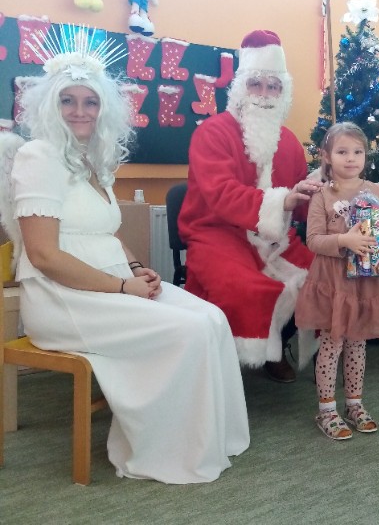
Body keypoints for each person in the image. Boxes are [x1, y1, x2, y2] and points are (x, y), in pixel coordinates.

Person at [0, 24, 249, 484]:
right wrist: (122, 286)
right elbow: (44, 255)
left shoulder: (91, 160)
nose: (80, 111)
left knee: (212, 317)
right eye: (68, 100)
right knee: (189, 330)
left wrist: (136, 268)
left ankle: (212, 439)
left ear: (104, 108)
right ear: (50, 104)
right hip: (63, 300)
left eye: (90, 102)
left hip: (113, 283)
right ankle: (167, 451)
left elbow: (108, 231)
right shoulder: (38, 157)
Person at [179, 30, 323, 383]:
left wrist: (328, 197)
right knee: (246, 287)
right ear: (241, 88)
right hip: (217, 234)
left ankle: (275, 345)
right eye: (256, 84)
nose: (264, 94)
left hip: (276, 240)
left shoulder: (289, 142)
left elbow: (301, 205)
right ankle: (223, 362)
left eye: (273, 87)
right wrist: (282, 200)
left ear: (283, 92)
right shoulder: (212, 133)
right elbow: (221, 193)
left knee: (322, 277)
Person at [295, 122, 379, 440]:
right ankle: (327, 409)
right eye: (342, 151)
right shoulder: (322, 196)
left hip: (365, 283)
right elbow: (313, 240)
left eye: (358, 151)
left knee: (358, 343)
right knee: (332, 344)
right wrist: (344, 240)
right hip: (334, 283)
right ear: (327, 156)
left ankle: (354, 404)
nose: (351, 158)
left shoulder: (378, 191)